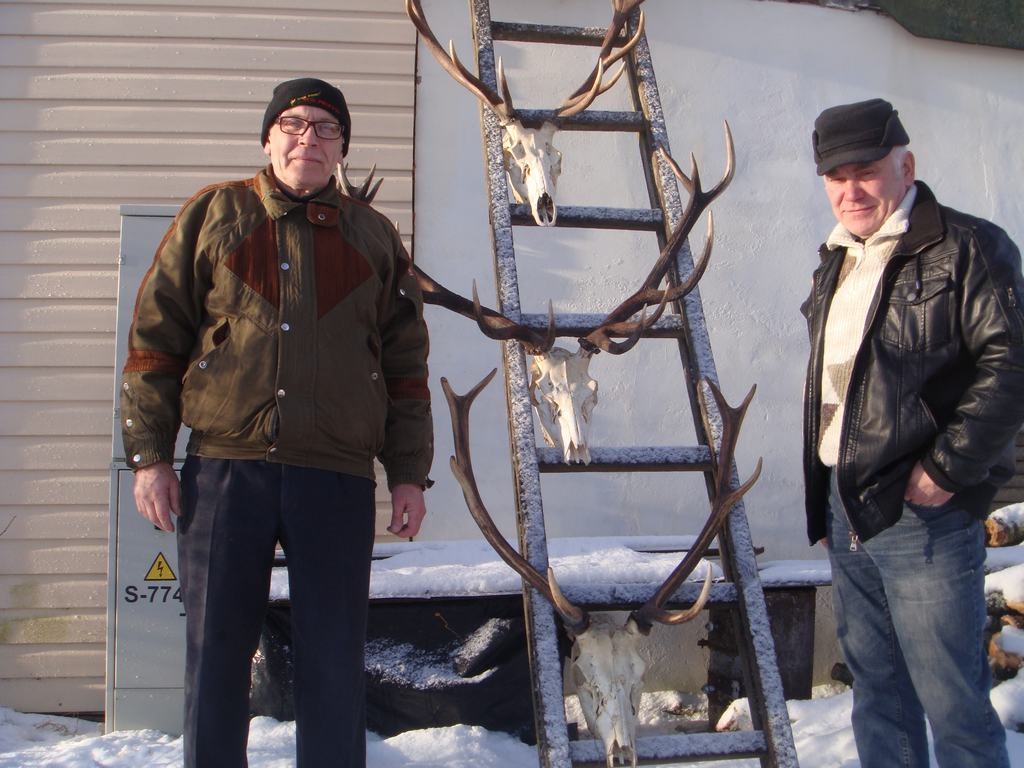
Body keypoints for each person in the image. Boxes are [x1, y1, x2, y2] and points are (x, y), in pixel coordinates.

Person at [120, 77, 433, 768]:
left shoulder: (374, 236)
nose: (307, 139)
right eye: (293, 124)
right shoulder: (214, 214)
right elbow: (155, 341)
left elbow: (406, 366)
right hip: (226, 472)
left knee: (334, 659)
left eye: (326, 128)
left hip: (337, 479)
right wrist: (151, 456)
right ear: (267, 139)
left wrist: (409, 474)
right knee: (217, 653)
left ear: (341, 149)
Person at [802, 98, 1024, 767]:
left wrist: (947, 469)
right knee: (878, 697)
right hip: (849, 506)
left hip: (924, 513)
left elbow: (1012, 364)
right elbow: (839, 388)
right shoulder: (836, 259)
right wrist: (826, 494)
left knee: (953, 706)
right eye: (836, 177)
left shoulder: (968, 247)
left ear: (906, 166)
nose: (850, 190)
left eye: (865, 171)